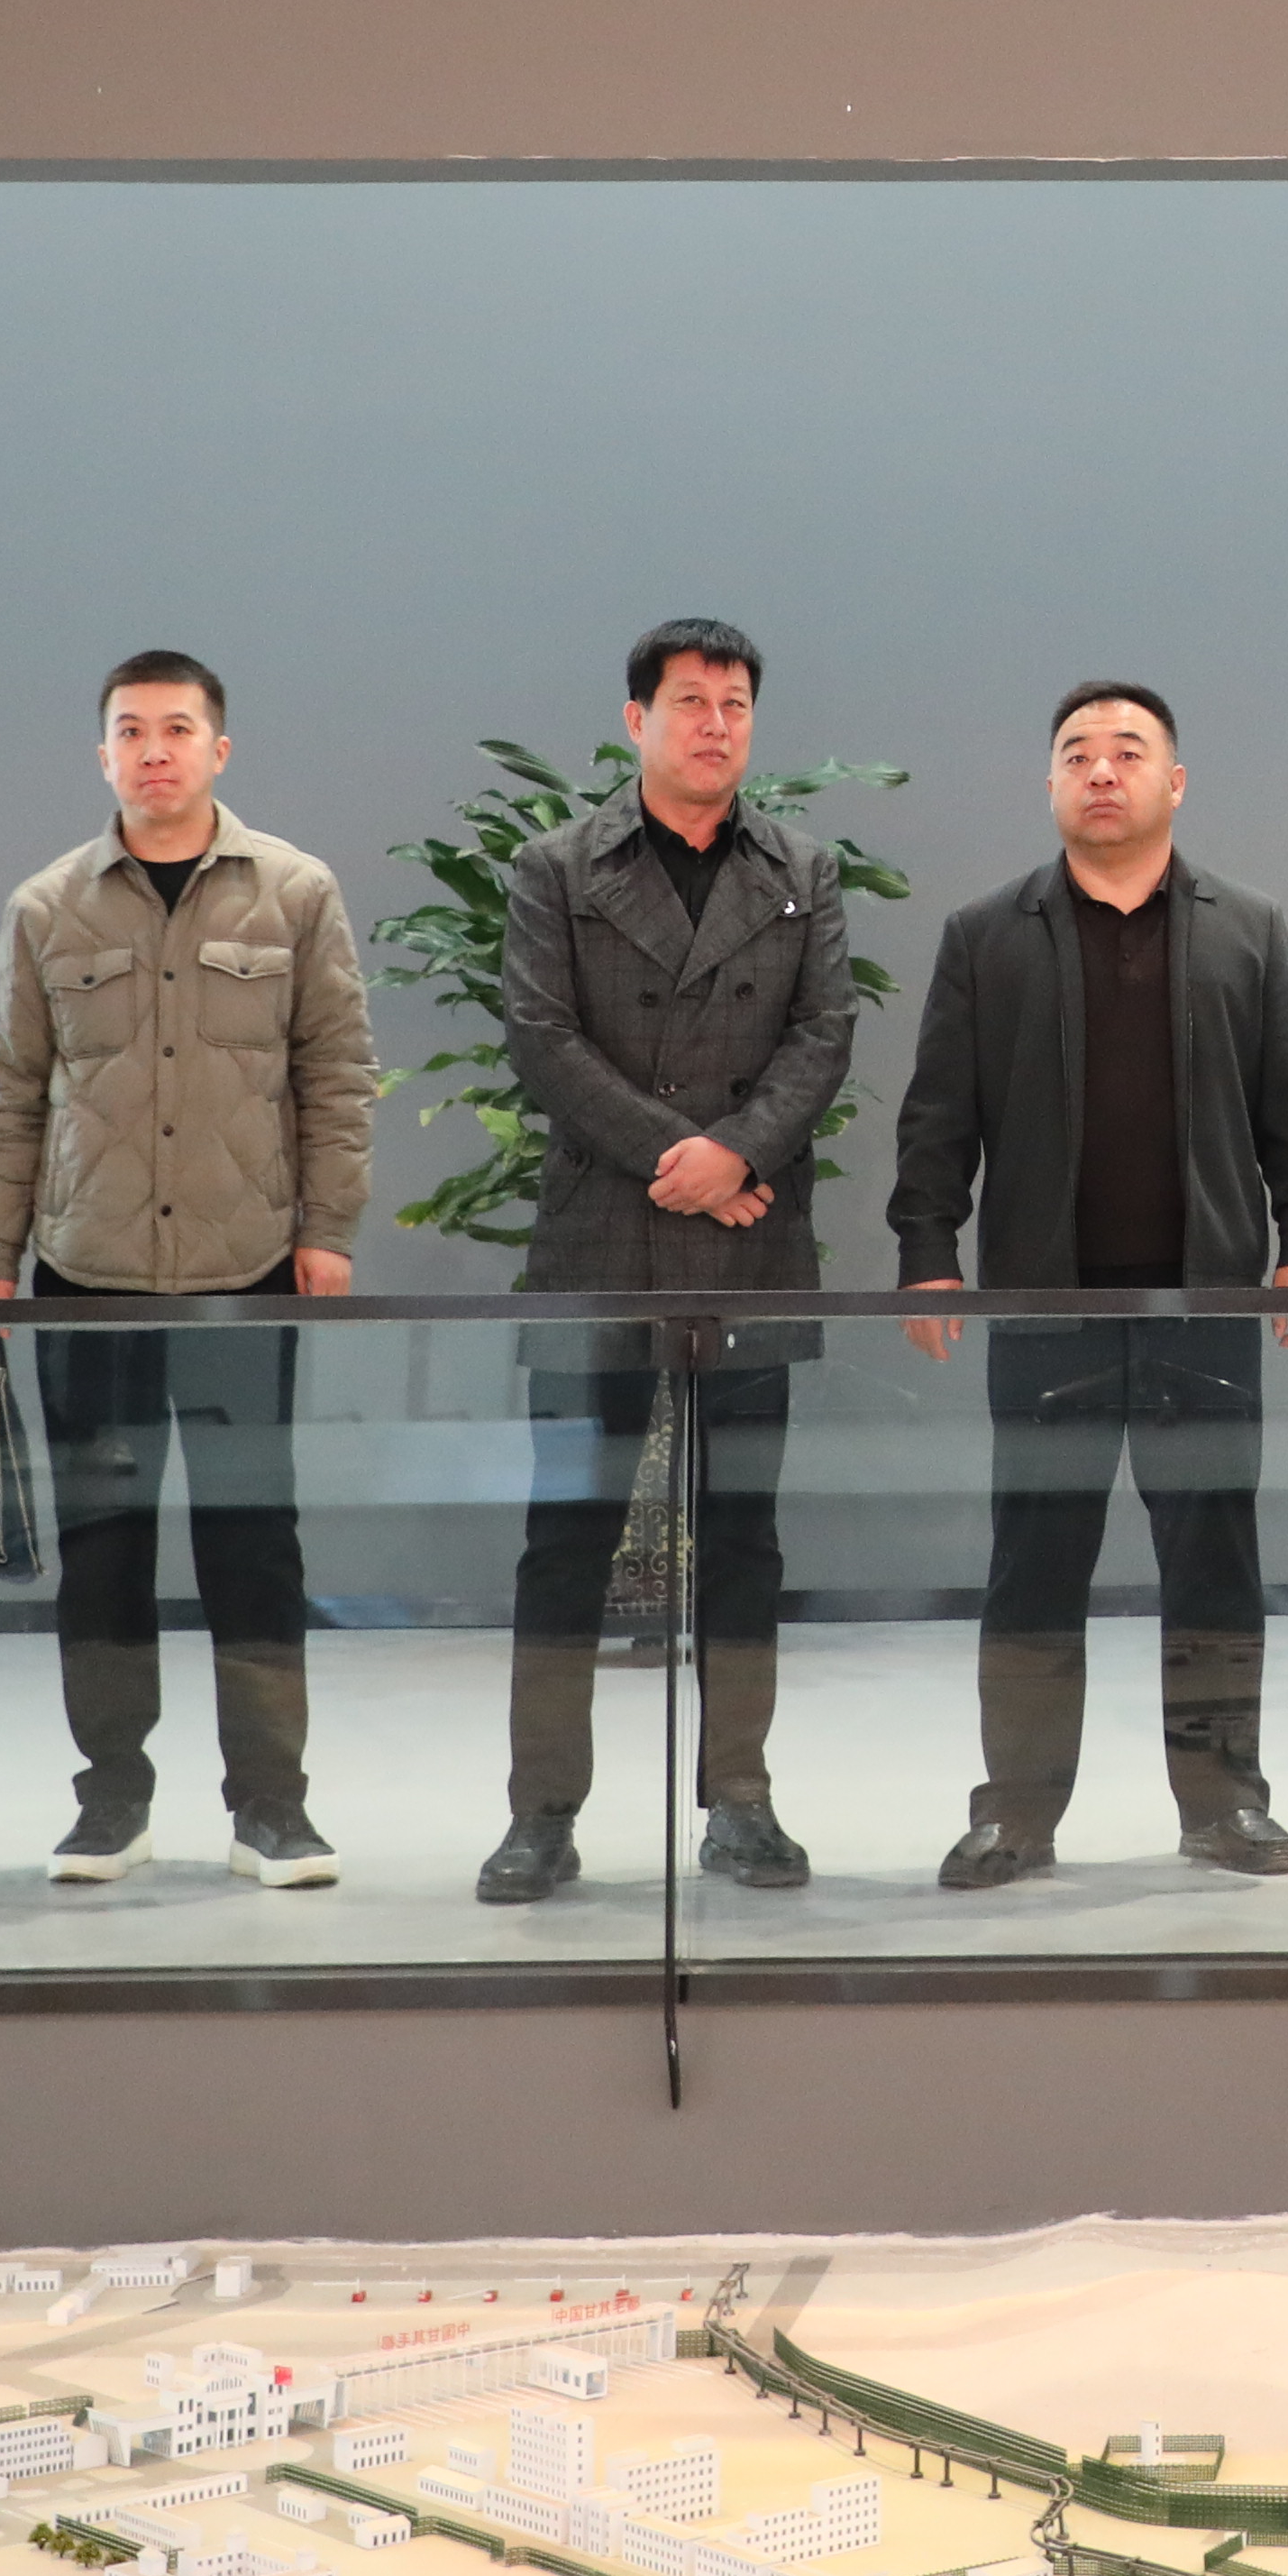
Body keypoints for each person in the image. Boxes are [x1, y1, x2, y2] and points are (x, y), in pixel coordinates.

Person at [888, 681, 1288, 1889]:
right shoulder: (987, 934)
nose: (1102, 770)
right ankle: (1016, 1814)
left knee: (1214, 1562)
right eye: (1078, 752)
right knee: (1034, 1563)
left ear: (1173, 782)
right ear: (1050, 783)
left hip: (1207, 1301)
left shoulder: (1250, 928)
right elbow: (939, 1113)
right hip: (1048, 1308)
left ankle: (1225, 1802)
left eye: (1129, 751)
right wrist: (928, 1252)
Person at [0, 650, 378, 1888]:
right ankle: (111, 1805)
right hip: (86, 1277)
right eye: (131, 731)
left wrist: (329, 1230)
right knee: (104, 1547)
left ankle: (272, 1808)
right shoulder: (47, 907)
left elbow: (338, 1074)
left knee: (254, 1543)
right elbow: (10, 1094)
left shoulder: (295, 892)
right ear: (103, 755)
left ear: (218, 749)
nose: (155, 750)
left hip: (247, 1273)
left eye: (177, 728)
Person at [480, 618, 856, 1906]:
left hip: (752, 1243)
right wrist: (684, 1157)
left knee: (742, 1537)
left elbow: (824, 1035)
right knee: (567, 1538)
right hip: (603, 1236)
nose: (715, 723)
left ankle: (740, 1800)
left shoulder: (802, 868)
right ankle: (541, 1812)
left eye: (735, 703)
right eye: (690, 701)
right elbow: (541, 1038)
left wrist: (738, 1151)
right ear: (636, 719)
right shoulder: (555, 867)